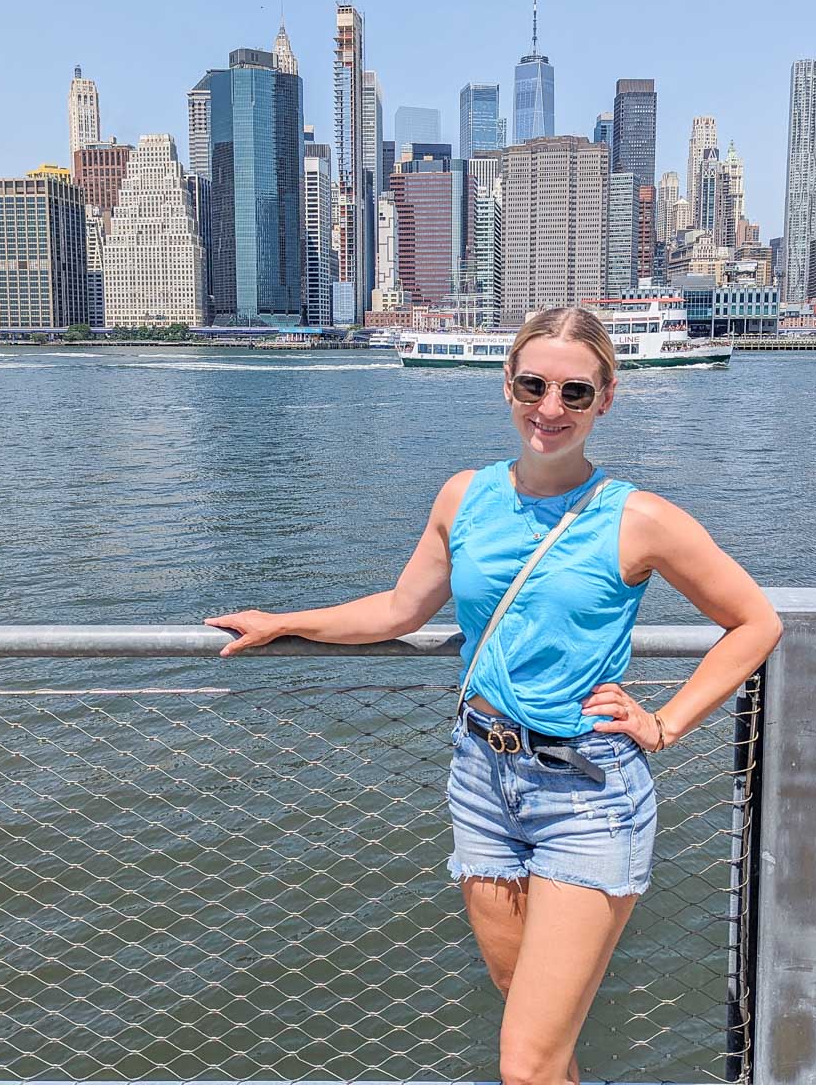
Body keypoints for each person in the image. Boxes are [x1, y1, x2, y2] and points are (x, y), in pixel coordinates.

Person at [205, 306, 783, 1085]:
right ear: (507, 385)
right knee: (535, 1036)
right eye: (533, 385)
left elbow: (755, 622)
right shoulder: (464, 496)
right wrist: (284, 622)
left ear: (606, 399)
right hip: (481, 778)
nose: (550, 408)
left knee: (525, 1064)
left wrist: (667, 722)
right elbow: (401, 610)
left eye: (575, 392)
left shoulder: (639, 519)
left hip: (586, 791)